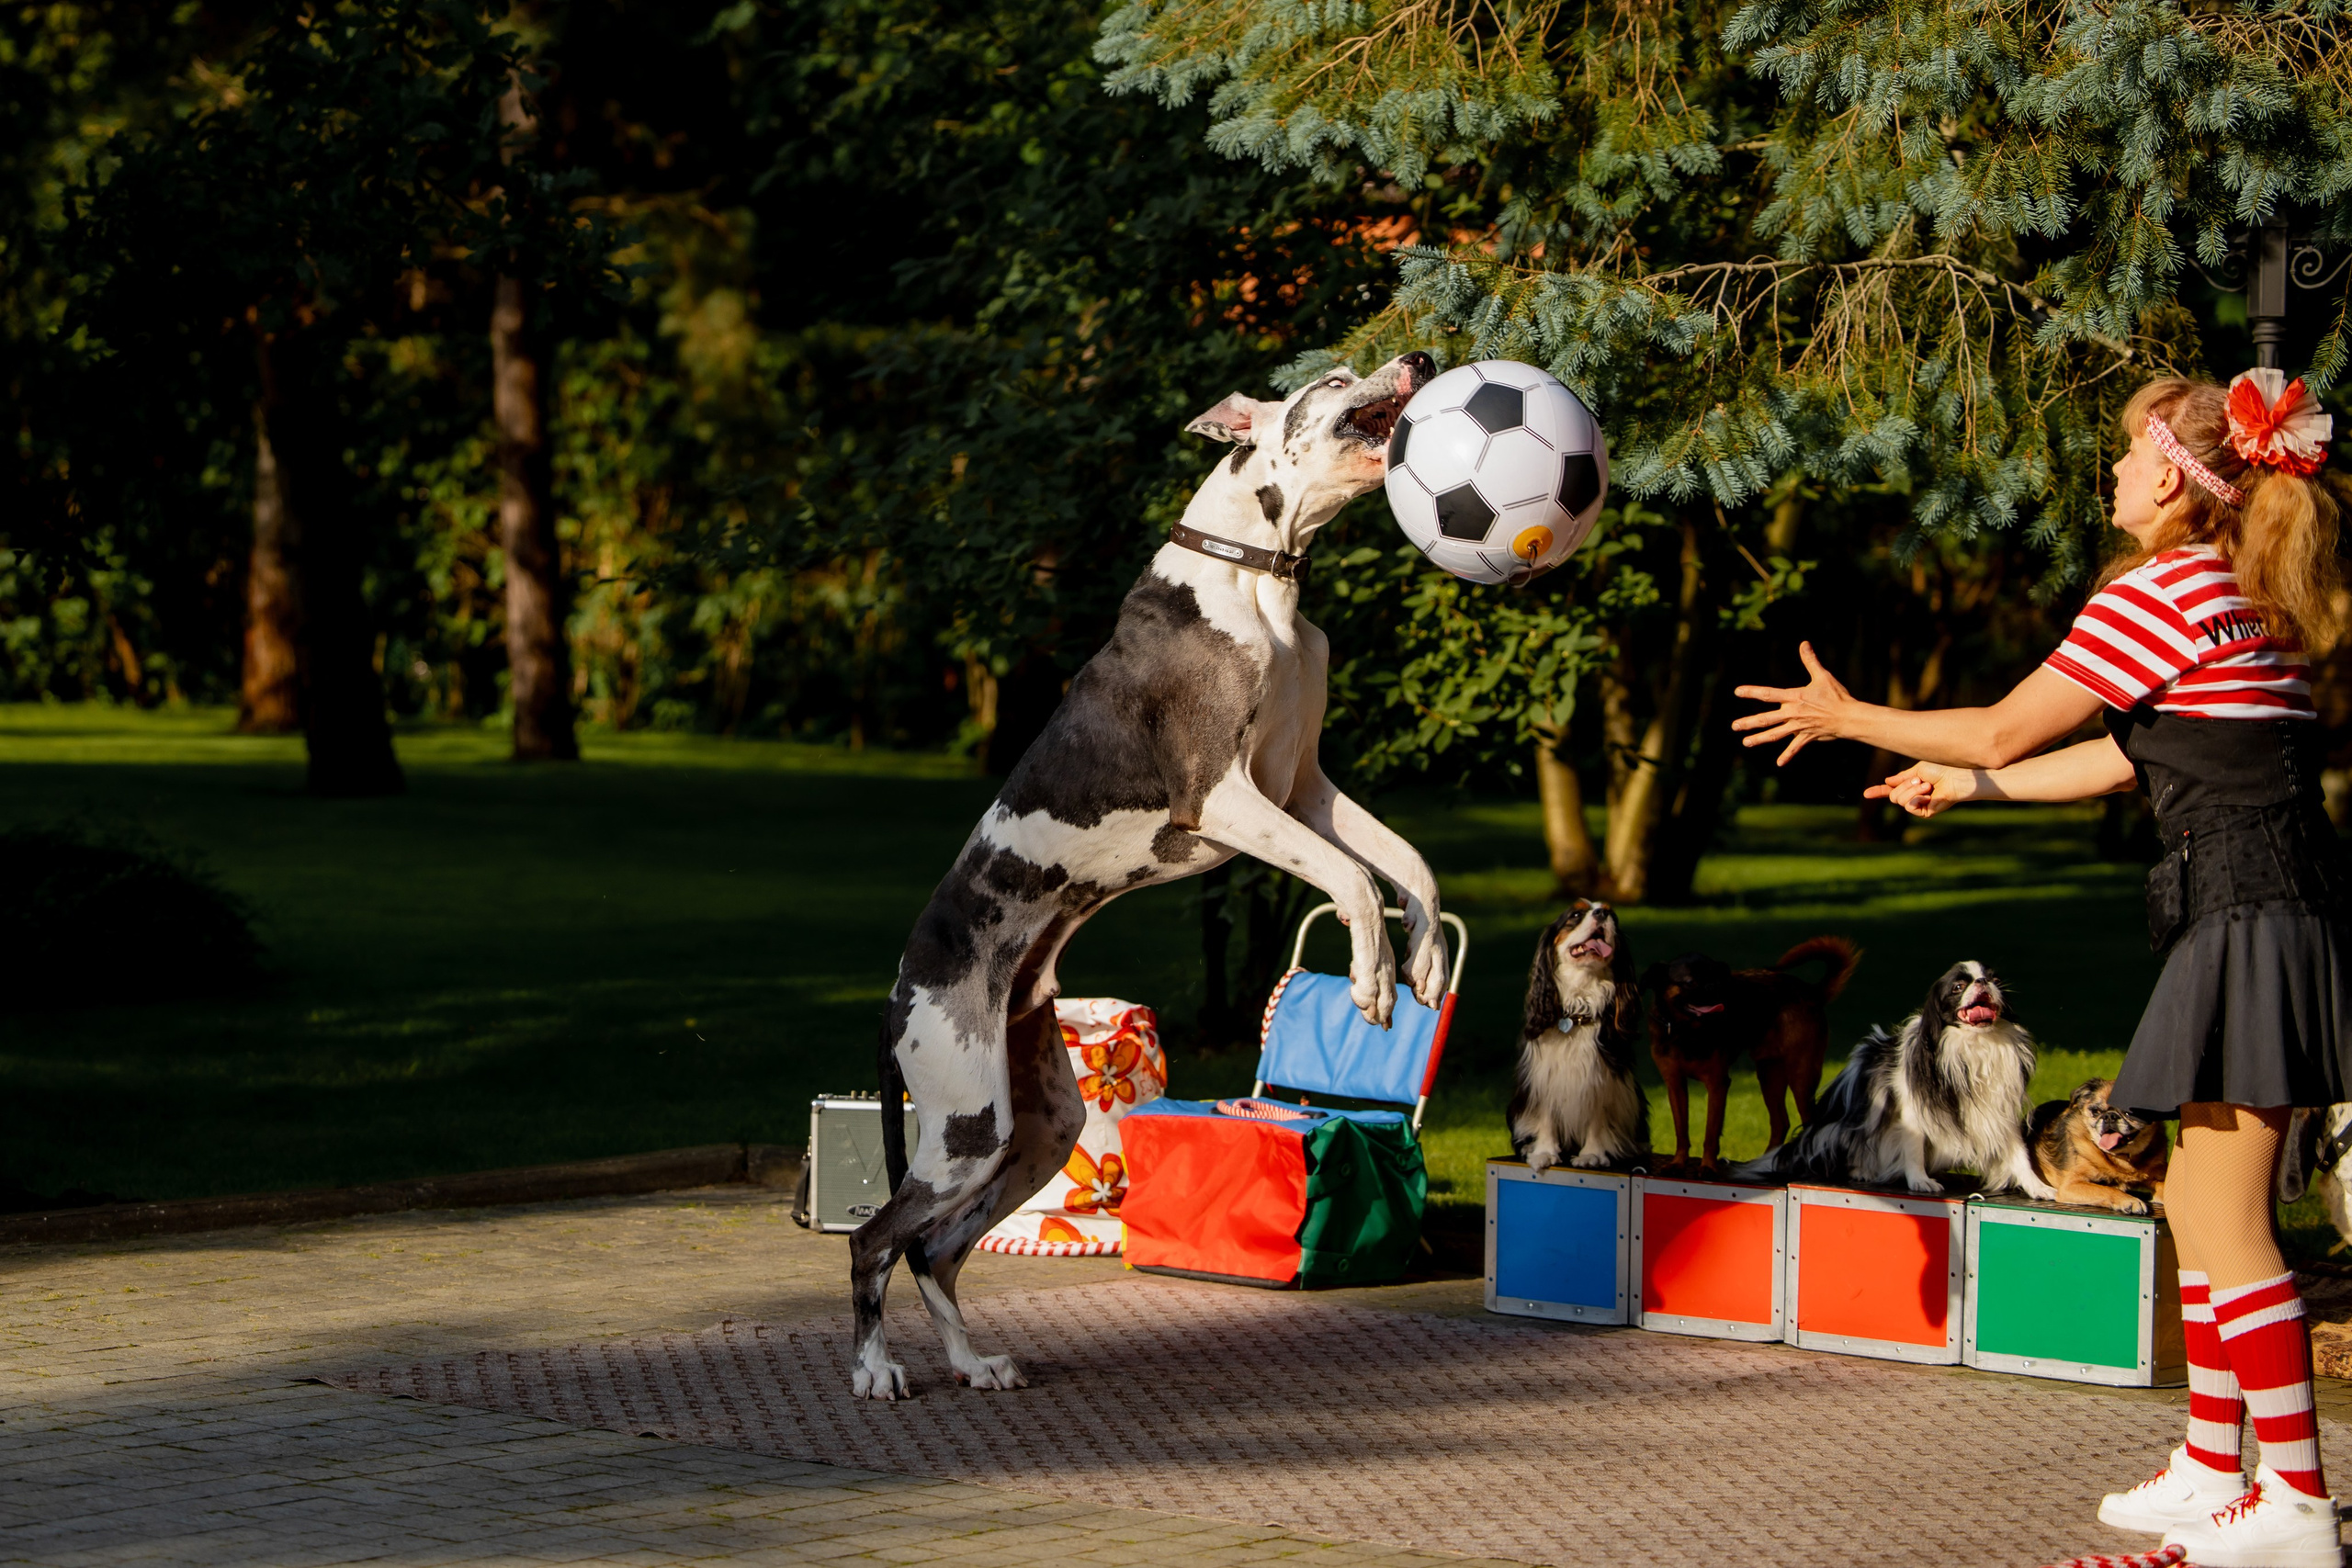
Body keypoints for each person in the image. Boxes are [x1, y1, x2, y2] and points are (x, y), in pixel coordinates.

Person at [1734, 368, 2346, 1568]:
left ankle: (2295, 1504)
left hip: (2245, 915)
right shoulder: (2241, 591)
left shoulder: (2159, 592)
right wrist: (1972, 789)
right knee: (2192, 1202)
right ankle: (2214, 1468)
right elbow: (2124, 760)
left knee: (2227, 1220)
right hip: (2266, 908)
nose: (2113, 472)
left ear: (2173, 479)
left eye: (2129, 456)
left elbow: (2006, 725)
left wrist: (1854, 717)